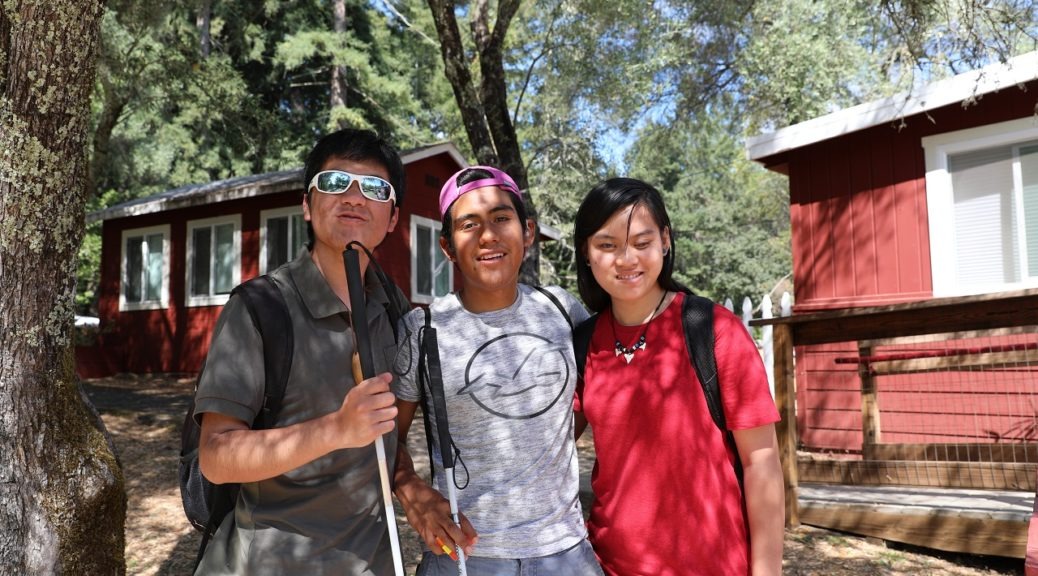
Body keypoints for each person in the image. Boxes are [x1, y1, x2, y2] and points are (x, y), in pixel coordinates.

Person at [192, 128, 405, 575]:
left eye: (374, 187)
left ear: (392, 218)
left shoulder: (395, 309)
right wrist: (337, 429)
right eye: (333, 183)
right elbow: (215, 457)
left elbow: (391, 443)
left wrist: (415, 490)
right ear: (307, 205)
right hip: (270, 562)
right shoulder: (260, 307)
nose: (353, 197)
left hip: (375, 562)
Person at [392, 166, 603, 575]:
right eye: (469, 225)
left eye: (501, 219)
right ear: (448, 247)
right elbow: (387, 439)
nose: (487, 235)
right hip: (465, 556)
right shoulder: (423, 331)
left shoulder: (563, 311)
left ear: (527, 231)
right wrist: (410, 489)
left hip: (566, 553)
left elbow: (596, 398)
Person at [572, 177, 785, 576]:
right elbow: (544, 447)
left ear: (665, 241)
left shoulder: (713, 329)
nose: (626, 259)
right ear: (586, 252)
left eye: (641, 243)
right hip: (608, 566)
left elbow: (762, 463)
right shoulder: (582, 345)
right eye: (607, 245)